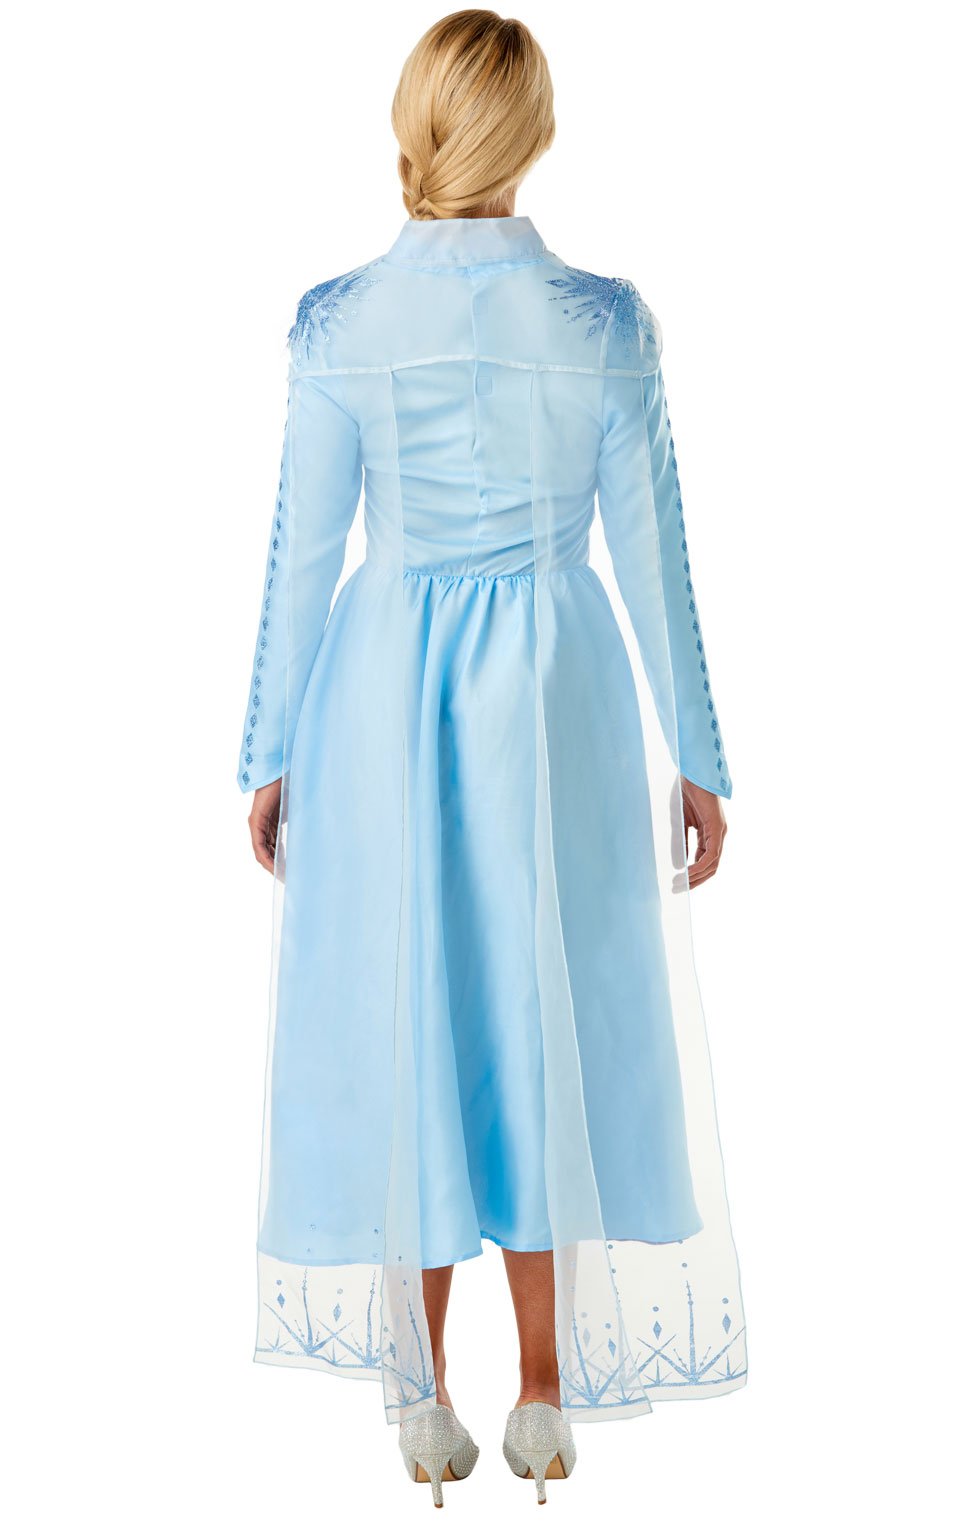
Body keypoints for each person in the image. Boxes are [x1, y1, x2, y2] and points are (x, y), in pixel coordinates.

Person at [238, 8, 746, 1507]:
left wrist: (266, 748)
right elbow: (655, 557)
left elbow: (304, 554)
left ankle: (419, 1395)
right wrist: (700, 754)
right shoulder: (603, 325)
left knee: (408, 1002)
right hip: (553, 688)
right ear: (535, 135)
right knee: (541, 1006)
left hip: (383, 688)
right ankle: (541, 1391)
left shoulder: (340, 322)